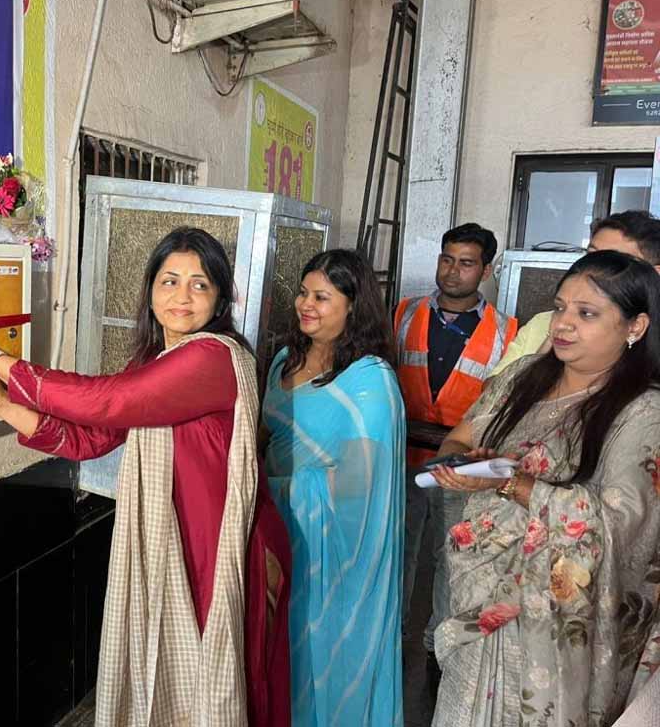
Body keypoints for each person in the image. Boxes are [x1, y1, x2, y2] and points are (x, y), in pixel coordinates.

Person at [0, 227, 292, 727]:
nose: (182, 296)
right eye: (169, 281)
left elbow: (108, 402)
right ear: (151, 291)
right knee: (178, 684)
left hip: (222, 546)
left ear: (220, 298)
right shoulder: (155, 362)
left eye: (199, 284)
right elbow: (90, 438)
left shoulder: (213, 357)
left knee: (220, 687)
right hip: (179, 542)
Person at [428, 250, 660, 726]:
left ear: (636, 327)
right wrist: (461, 462)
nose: (563, 324)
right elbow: (461, 437)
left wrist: (512, 481)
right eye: (560, 308)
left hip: (549, 631)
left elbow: (621, 525)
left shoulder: (644, 412)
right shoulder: (523, 377)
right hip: (480, 604)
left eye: (586, 313)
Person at [261, 249, 405, 726]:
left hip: (332, 552)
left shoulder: (369, 380)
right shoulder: (284, 359)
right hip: (274, 537)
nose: (306, 304)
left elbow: (358, 487)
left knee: (322, 657)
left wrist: (269, 489)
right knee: (275, 655)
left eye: (322, 297)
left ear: (353, 305)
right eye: (304, 293)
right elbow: (265, 436)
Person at [396, 223, 518, 682]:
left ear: (485, 271)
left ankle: (437, 648)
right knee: (399, 553)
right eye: (447, 259)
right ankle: (392, 635)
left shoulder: (507, 331)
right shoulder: (404, 313)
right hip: (402, 458)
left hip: (460, 468)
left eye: (466, 263)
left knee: (451, 559)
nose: (452, 271)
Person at [490, 210, 660, 377]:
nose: (593, 268)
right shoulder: (545, 322)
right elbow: (493, 389)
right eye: (590, 256)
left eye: (613, 262)